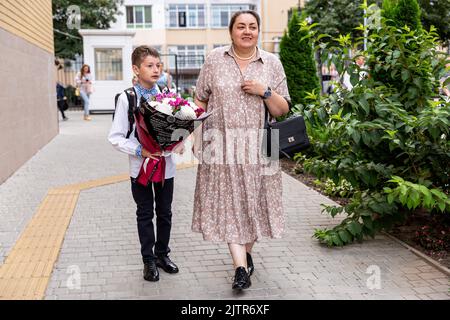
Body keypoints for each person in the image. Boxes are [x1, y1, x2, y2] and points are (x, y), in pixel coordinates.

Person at [191, 10, 290, 291]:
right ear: (231, 31)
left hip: (263, 146)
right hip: (221, 146)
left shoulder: (272, 63)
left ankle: (245, 254)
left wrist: (265, 91)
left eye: (253, 26)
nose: (247, 31)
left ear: (259, 30)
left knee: (257, 206)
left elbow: (282, 111)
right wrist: (198, 137)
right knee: (230, 206)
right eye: (241, 27)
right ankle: (239, 269)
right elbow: (199, 99)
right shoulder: (214, 60)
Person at [108, 46, 180, 282]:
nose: (156, 69)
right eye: (150, 65)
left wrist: (178, 141)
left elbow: (179, 126)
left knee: (165, 213)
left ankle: (162, 255)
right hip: (140, 168)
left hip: (165, 166)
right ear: (136, 69)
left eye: (158, 65)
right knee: (144, 213)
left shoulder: (169, 96)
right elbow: (116, 137)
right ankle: (148, 260)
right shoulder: (127, 98)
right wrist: (141, 150)